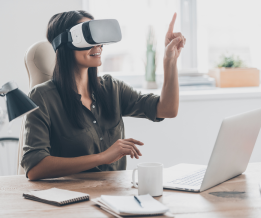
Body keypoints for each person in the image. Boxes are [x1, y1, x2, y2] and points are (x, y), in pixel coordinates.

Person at [21, 10, 186, 180]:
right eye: (88, 36)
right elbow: (34, 167)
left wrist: (170, 60)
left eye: (98, 37)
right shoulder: (41, 97)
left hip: (115, 196)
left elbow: (167, 109)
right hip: (73, 199)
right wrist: (103, 157)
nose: (98, 45)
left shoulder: (111, 88)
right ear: (65, 43)